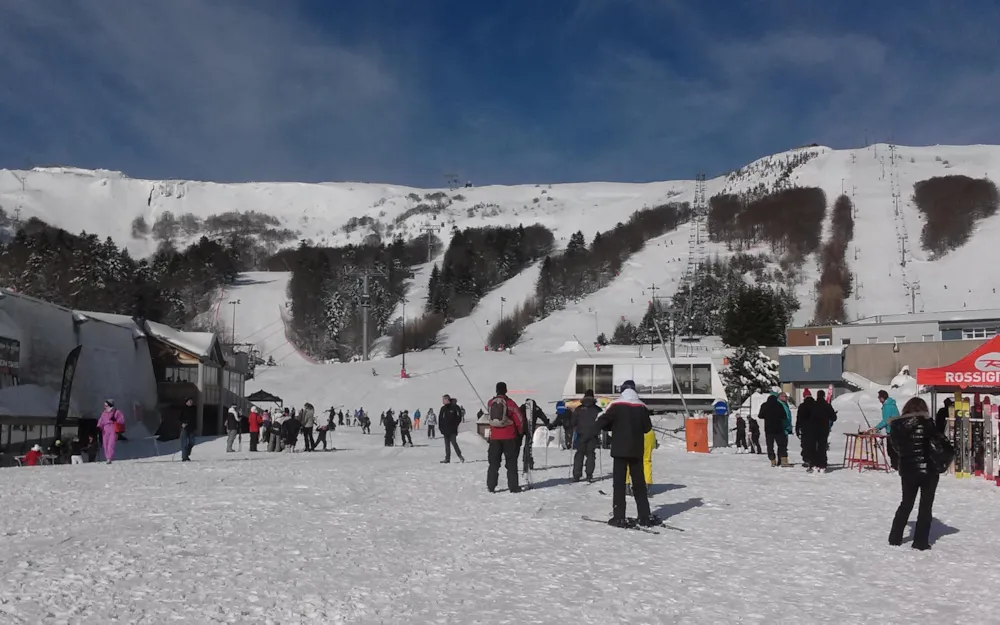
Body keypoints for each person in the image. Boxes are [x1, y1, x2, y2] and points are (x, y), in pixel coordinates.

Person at [592, 380, 659, 527]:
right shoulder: (641, 406)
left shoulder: (616, 405)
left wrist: (605, 428)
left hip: (619, 450)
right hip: (636, 450)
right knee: (639, 483)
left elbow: (601, 421)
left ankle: (619, 516)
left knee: (619, 484)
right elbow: (647, 427)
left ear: (622, 390)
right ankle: (644, 515)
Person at [888, 397, 941, 551]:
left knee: (906, 503)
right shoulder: (928, 422)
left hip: (908, 469)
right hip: (928, 469)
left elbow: (895, 448)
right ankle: (920, 542)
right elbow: (937, 443)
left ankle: (895, 537)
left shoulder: (896, 425)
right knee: (925, 506)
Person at [486, 382, 524, 493]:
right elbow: (519, 419)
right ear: (506, 390)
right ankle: (513, 487)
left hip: (495, 437)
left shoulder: (490, 403)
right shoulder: (510, 403)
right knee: (511, 463)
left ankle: (491, 486)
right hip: (509, 437)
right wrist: (520, 432)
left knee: (493, 463)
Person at [571, 390, 601, 482]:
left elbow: (573, 422)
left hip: (581, 435)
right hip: (593, 435)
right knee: (591, 455)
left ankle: (576, 475)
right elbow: (603, 421)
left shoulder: (578, 409)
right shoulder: (597, 409)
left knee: (579, 454)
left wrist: (573, 426)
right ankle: (589, 475)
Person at [519, 398, 552, 471]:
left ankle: (524, 461)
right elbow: (543, 416)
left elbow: (517, 414)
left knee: (518, 445)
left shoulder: (523, 407)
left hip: (521, 428)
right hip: (531, 428)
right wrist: (547, 423)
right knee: (528, 445)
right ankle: (529, 460)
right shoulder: (537, 408)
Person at [809, 391, 838, 473]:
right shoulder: (827, 405)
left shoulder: (812, 405)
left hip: (813, 429)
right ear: (824, 396)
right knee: (822, 447)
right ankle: (822, 465)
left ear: (817, 395)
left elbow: (807, 416)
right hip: (824, 429)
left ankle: (814, 464)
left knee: (813, 447)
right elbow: (834, 417)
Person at [758, 393, 789, 467]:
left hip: (768, 429)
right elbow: (784, 416)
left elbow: (760, 415)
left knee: (770, 445)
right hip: (778, 428)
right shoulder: (779, 405)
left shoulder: (764, 405)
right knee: (781, 445)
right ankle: (783, 459)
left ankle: (772, 460)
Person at [875, 390, 900, 470]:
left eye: (879, 397)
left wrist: (877, 427)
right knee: (894, 449)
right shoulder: (891, 404)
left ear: (882, 398)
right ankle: (896, 465)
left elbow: (886, 420)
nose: (878, 399)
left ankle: (895, 466)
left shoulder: (887, 406)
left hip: (892, 430)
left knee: (891, 450)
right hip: (896, 429)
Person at [97, 399, 125, 464]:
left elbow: (122, 420)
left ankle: (109, 458)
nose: (105, 407)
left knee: (111, 444)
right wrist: (98, 427)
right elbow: (101, 420)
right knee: (105, 444)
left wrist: (116, 420)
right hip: (105, 429)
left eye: (106, 405)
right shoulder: (104, 413)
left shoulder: (116, 412)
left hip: (113, 428)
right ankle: (107, 457)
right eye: (104, 405)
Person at [439, 395, 464, 463]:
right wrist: (441, 428)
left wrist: (455, 425)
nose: (443, 401)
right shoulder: (443, 408)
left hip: (452, 430)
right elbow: (440, 419)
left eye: (444, 399)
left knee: (454, 443)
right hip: (445, 430)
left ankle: (460, 456)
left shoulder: (455, 407)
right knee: (447, 445)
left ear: (447, 400)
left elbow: (459, 418)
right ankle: (447, 458)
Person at [796, 389, 816, 468]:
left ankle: (806, 459)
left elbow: (799, 418)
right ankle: (814, 459)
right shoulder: (816, 404)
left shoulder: (802, 406)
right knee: (814, 444)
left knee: (805, 444)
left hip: (805, 428)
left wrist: (797, 428)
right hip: (815, 428)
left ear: (804, 396)